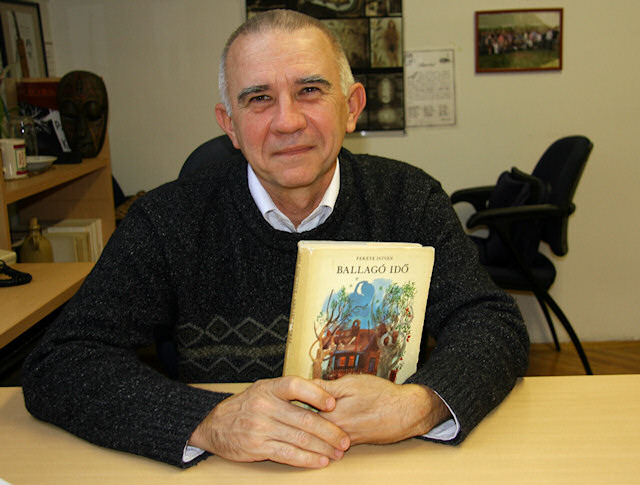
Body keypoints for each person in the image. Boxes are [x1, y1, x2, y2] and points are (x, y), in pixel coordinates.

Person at [23, 9, 528, 470]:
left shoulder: (408, 199)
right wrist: (209, 420)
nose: (287, 121)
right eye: (259, 98)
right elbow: (60, 361)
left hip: (384, 464)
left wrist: (421, 404)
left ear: (351, 107)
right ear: (231, 126)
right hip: (228, 471)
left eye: (310, 90)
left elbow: (492, 321)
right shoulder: (167, 219)